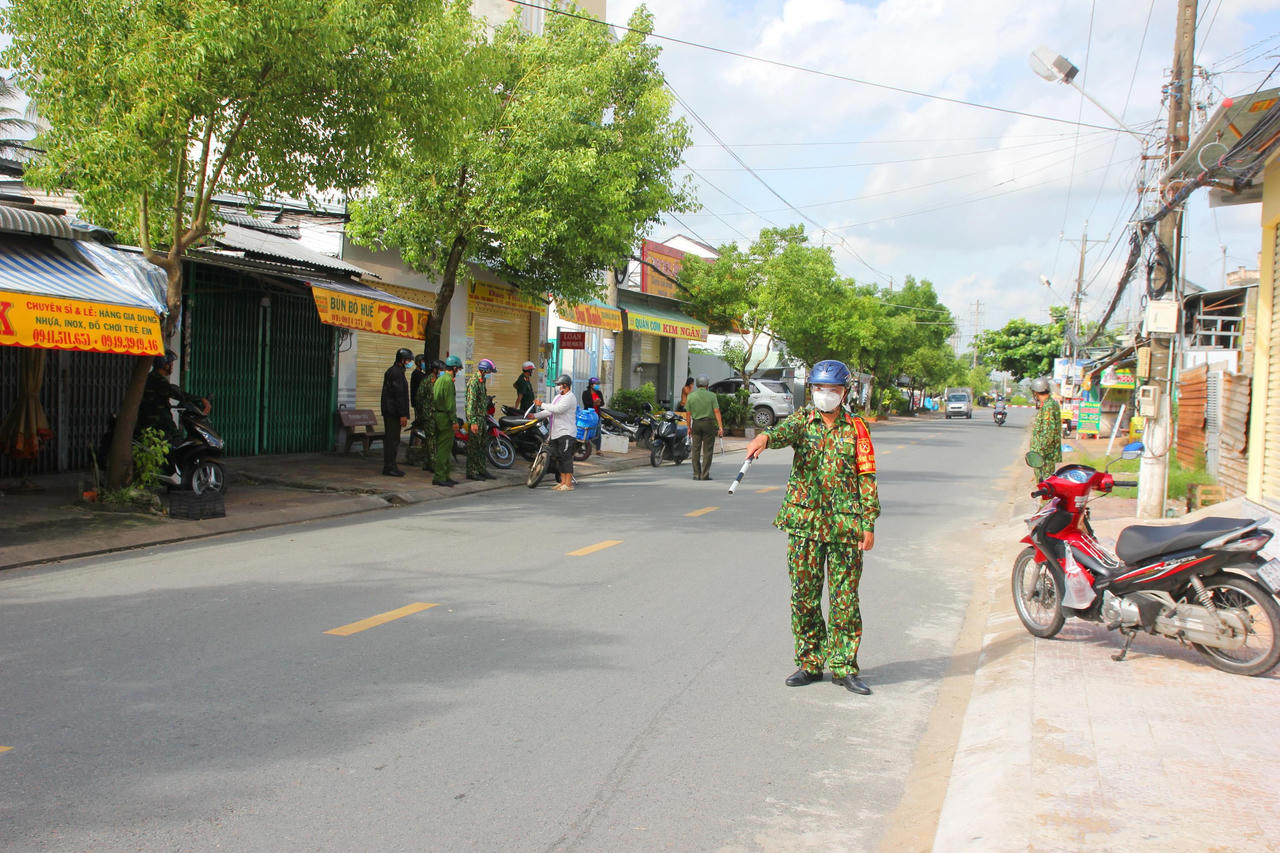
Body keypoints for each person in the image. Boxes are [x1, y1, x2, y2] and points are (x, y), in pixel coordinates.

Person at [744, 359, 880, 696]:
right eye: (820, 389)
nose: (825, 395)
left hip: (845, 527)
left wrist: (868, 523)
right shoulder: (803, 421)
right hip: (805, 524)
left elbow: (867, 477)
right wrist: (764, 437)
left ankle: (844, 667)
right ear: (813, 390)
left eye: (832, 390)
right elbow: (781, 433)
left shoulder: (857, 429)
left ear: (844, 393)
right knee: (804, 597)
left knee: (845, 600)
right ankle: (809, 662)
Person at [137, 349, 210, 457]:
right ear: (164, 364)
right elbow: (176, 393)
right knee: (176, 439)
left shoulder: (152, 378)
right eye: (170, 363)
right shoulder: (158, 380)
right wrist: (200, 399)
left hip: (152, 418)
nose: (172, 366)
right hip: (157, 420)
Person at [529, 373, 577, 492]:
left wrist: (541, 404)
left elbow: (558, 409)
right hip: (555, 432)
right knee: (559, 458)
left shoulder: (570, 397)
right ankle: (562, 482)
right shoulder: (558, 397)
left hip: (566, 432)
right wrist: (535, 415)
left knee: (566, 458)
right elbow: (549, 411)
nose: (557, 387)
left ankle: (568, 483)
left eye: (558, 385)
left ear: (565, 385)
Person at [380, 347, 413, 476]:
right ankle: (389, 467)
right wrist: (403, 414)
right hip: (393, 413)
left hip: (392, 411)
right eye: (409, 360)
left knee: (393, 439)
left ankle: (391, 465)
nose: (410, 362)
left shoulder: (396, 371)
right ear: (403, 360)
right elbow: (399, 395)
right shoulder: (396, 373)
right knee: (392, 440)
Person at [431, 355, 463, 486]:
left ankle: (445, 475)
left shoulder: (439, 379)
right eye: (458, 369)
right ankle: (440, 477)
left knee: (443, 448)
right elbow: (450, 404)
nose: (459, 371)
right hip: (445, 418)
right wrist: (454, 421)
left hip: (438, 416)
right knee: (444, 450)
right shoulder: (448, 381)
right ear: (454, 368)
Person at [684, 374, 723, 481]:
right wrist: (720, 427)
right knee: (707, 450)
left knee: (695, 449)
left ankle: (696, 474)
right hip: (708, 424)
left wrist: (688, 427)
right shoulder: (712, 396)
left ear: (697, 384)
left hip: (696, 424)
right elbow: (717, 411)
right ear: (707, 384)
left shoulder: (691, 396)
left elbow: (688, 414)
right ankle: (704, 475)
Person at [465, 358, 498, 481]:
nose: (490, 374)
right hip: (475, 419)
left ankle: (481, 469)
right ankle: (472, 471)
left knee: (481, 445)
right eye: (489, 372)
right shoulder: (474, 382)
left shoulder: (481, 380)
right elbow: (470, 404)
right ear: (484, 370)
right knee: (474, 446)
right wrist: (472, 421)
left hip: (482, 418)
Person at [1029, 377, 1062, 483]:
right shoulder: (1049, 404)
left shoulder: (1049, 406)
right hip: (1043, 452)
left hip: (1045, 454)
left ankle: (1046, 500)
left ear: (1036, 392)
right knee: (1043, 482)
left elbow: (1048, 432)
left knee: (1046, 484)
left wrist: (1040, 453)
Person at [415, 359, 443, 473]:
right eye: (440, 370)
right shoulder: (427, 381)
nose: (442, 372)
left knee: (430, 440)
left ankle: (427, 462)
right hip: (429, 415)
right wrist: (423, 412)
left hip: (437, 415)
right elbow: (419, 398)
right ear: (435, 370)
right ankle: (434, 464)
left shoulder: (440, 381)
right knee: (432, 440)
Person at [582, 376, 604, 449]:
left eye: (598, 384)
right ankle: (585, 447)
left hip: (597, 416)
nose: (597, 385)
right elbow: (586, 403)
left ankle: (598, 449)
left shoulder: (599, 393)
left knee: (598, 433)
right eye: (596, 384)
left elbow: (602, 403)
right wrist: (594, 403)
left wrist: (598, 403)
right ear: (591, 385)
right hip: (588, 416)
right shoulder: (585, 393)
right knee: (586, 432)